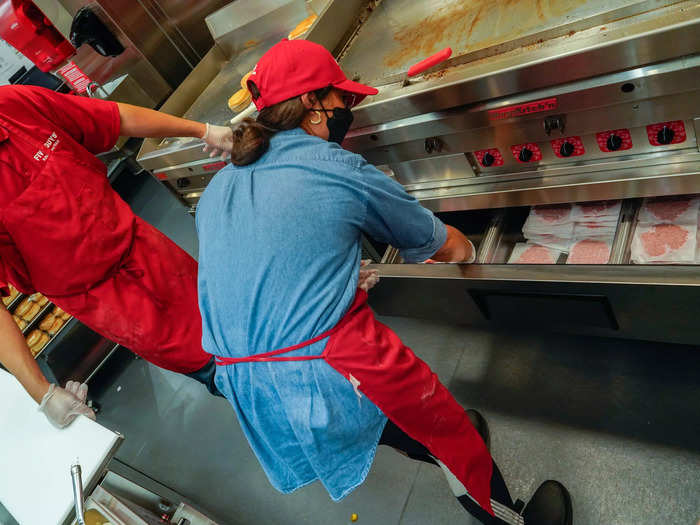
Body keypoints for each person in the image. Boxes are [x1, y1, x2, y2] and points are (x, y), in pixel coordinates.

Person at [196, 39, 573, 525]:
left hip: (249, 384)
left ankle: (422, 439)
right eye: (343, 100)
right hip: (330, 368)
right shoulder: (335, 166)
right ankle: (508, 517)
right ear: (312, 104)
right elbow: (447, 246)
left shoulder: (220, 184)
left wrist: (332, 275)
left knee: (399, 427)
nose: (349, 110)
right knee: (450, 435)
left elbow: (259, 264)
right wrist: (484, 259)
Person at [0, 85, 234, 428]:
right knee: (215, 364)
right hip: (110, 301)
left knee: (237, 319)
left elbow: (113, 117)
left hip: (146, 247)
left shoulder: (13, 106)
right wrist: (42, 392)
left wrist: (201, 130)